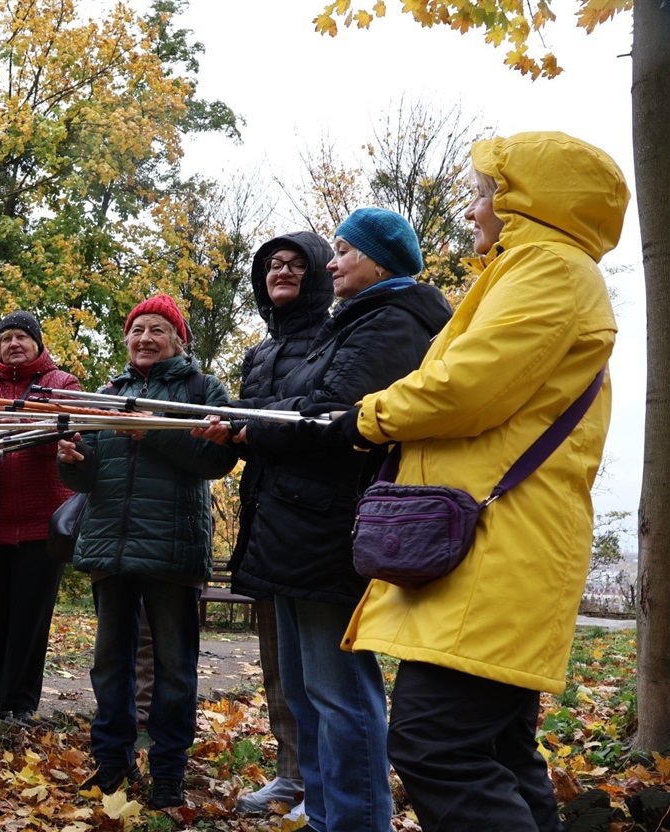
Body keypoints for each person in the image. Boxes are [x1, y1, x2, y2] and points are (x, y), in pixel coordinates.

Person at [332, 132, 627, 832]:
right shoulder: (532, 268)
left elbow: (464, 388)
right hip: (501, 543)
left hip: (500, 548)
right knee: (495, 747)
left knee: (433, 743)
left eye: (481, 192)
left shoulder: (546, 270)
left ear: (524, 199)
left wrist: (367, 418)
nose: (472, 210)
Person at [202, 208, 452, 832]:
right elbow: (299, 407)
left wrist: (248, 422)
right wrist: (250, 421)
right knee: (311, 690)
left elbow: (328, 413)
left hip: (327, 527)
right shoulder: (353, 323)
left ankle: (357, 820)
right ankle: (325, 814)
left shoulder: (393, 321)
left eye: (344, 251)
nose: (333, 263)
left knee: (340, 692)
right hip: (292, 525)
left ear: (381, 260)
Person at [57, 294, 237, 810]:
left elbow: (216, 461)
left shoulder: (202, 390)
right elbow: (89, 474)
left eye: (158, 329)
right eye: (137, 330)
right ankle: (111, 763)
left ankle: (167, 773)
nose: (145, 339)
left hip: (172, 549)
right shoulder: (108, 393)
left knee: (174, 667)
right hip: (110, 543)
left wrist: (153, 432)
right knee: (110, 663)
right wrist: (71, 461)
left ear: (178, 340)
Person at [222, 231, 336, 816]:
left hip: (313, 525)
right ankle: (291, 774)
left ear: (317, 272)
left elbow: (316, 424)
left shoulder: (332, 338)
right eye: (272, 265)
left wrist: (251, 429)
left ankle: (324, 789)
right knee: (281, 671)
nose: (281, 272)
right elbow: (250, 430)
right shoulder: (260, 352)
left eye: (294, 264)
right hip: (265, 518)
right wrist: (227, 431)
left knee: (322, 675)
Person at [0, 311, 81, 727]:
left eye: (22, 338)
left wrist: (22, 426)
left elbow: (66, 440)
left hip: (42, 521)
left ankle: (21, 702)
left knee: (31, 616)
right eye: (6, 337)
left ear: (37, 344)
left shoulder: (62, 384)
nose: (14, 344)